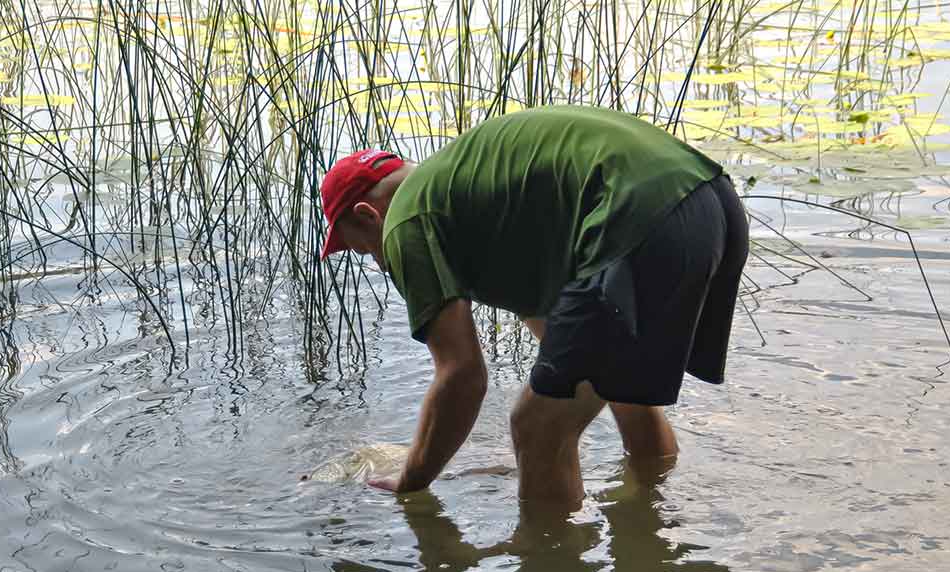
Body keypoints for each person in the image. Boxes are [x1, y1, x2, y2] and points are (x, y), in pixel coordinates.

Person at [318, 105, 749, 509]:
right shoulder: (470, 190)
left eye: (362, 249)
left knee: (537, 427)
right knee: (623, 391)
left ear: (368, 215)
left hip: (641, 216)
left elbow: (462, 376)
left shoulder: (405, 221)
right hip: (713, 203)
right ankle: (653, 527)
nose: (378, 259)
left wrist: (413, 479)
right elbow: (569, 349)